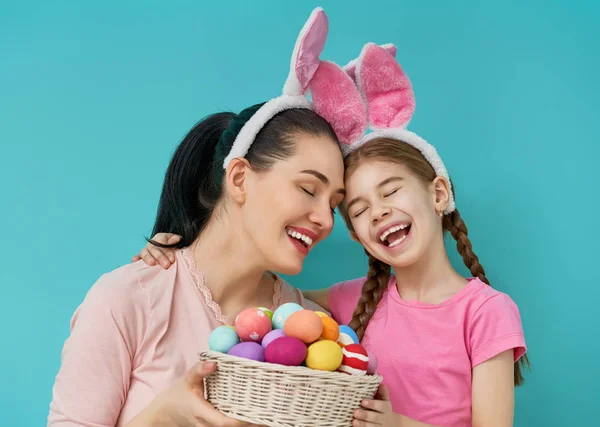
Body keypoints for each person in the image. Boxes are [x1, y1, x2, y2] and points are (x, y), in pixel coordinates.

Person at [139, 43, 528, 427]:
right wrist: (183, 251)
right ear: (358, 236)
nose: (379, 212)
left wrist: (399, 425)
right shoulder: (351, 300)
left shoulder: (486, 312)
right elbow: (260, 289)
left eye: (391, 191)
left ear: (439, 194)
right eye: (358, 210)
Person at [48, 9, 347, 427]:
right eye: (308, 189)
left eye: (334, 202)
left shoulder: (304, 324)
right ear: (240, 178)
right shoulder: (128, 300)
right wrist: (160, 417)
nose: (325, 219)